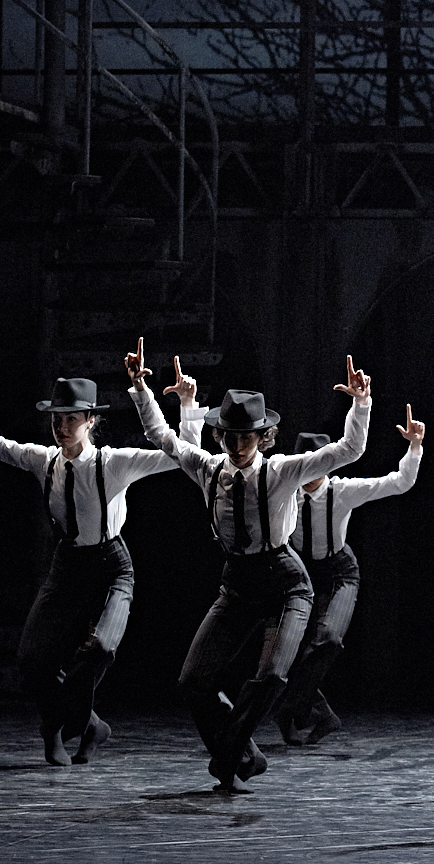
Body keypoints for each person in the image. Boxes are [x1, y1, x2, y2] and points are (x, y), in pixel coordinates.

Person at [126, 337, 374, 792]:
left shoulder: (281, 471)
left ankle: (228, 758)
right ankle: (242, 755)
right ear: (220, 436)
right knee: (193, 681)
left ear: (262, 438)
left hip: (286, 583)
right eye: (231, 436)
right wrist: (142, 390)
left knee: (272, 675)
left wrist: (360, 404)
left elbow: (348, 451)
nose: (238, 445)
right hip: (237, 583)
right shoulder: (209, 468)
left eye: (247, 437)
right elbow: (163, 438)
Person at [0, 347, 201, 766]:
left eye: (71, 419)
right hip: (67, 566)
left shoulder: (114, 463)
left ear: (91, 421)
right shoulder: (44, 461)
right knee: (32, 659)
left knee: (100, 649)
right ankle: (84, 725)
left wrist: (185, 403)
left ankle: (62, 723)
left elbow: (184, 456)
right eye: (57, 418)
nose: (62, 427)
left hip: (112, 567)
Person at [272, 407, 426, 747]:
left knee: (328, 639)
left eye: (317, 465)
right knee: (281, 645)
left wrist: (414, 447)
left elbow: (398, 483)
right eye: (303, 465)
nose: (309, 472)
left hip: (339, 572)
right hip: (299, 572)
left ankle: (291, 708)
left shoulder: (342, 491)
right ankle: (322, 713)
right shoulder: (285, 490)